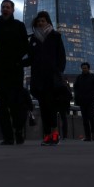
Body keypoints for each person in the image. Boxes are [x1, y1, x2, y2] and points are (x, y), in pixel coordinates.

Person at [0, 0, 29, 145]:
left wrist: (18, 60)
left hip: (16, 70)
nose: (5, 9)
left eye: (8, 7)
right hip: (0, 71)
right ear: (0, 9)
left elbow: (26, 46)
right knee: (2, 107)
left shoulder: (19, 26)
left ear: (13, 10)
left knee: (16, 105)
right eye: (3, 7)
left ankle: (18, 130)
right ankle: (8, 137)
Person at [25, 11, 66, 146]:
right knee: (43, 107)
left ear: (48, 22)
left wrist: (57, 71)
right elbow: (31, 58)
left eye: (43, 21)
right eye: (38, 21)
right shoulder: (34, 39)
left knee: (51, 106)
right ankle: (47, 134)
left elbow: (61, 57)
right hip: (38, 78)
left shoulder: (55, 36)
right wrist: (17, 63)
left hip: (51, 78)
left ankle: (54, 134)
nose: (40, 23)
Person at [74, 62, 94, 141]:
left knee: (91, 117)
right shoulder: (79, 78)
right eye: (83, 68)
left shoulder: (92, 77)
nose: (84, 69)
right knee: (85, 119)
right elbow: (75, 89)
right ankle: (88, 136)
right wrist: (77, 98)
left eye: (85, 68)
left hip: (90, 101)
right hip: (82, 101)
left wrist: (92, 93)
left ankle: (93, 133)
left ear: (88, 68)